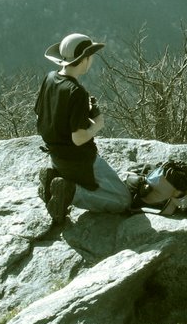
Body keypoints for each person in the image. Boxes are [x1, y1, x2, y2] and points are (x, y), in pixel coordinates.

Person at [35, 33, 131, 224]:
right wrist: (97, 124)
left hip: (57, 158)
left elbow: (41, 115)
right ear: (83, 60)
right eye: (90, 56)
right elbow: (78, 138)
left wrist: (78, 114)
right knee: (124, 200)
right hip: (80, 160)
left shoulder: (50, 78)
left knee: (113, 189)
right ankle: (71, 193)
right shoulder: (77, 92)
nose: (92, 60)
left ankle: (54, 180)